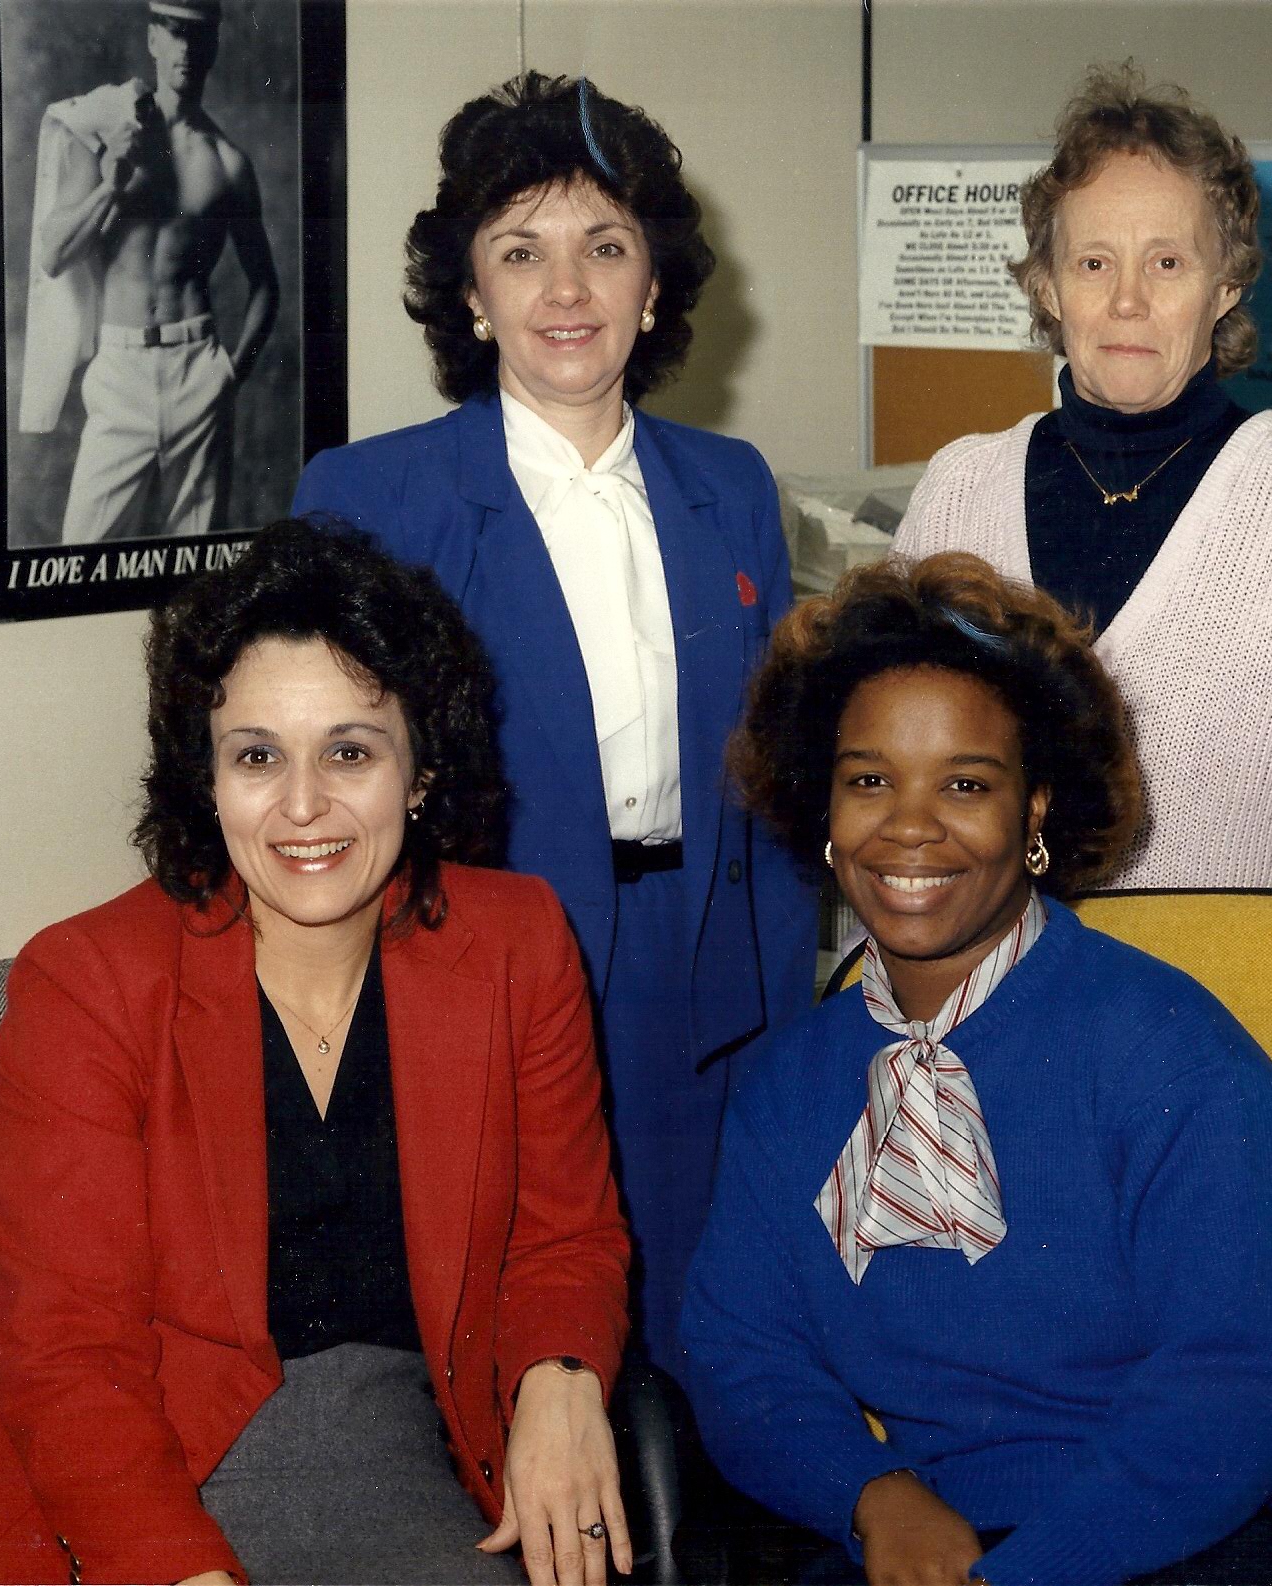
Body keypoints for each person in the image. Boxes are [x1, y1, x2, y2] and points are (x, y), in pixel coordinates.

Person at [0, 522, 632, 1586]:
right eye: (258, 754)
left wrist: (560, 1376)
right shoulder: (88, 981)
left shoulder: (516, 941)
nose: (304, 804)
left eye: (352, 750)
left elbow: (565, 1235)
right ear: (208, 777)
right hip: (109, 1482)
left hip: (385, 1450)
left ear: (419, 771)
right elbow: (67, 1351)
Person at [684, 553, 1272, 1586]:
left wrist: (1032, 1574)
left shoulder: (1173, 1051)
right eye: (869, 779)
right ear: (825, 813)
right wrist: (871, 1492)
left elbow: (1241, 1387)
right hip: (946, 1534)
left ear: (1034, 814)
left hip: (1237, 1530)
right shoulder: (785, 1087)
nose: (909, 824)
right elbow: (740, 1356)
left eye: (965, 783)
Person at [293, 72, 814, 1371]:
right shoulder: (373, 500)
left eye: (605, 246)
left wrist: (788, 1023)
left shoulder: (734, 488)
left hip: (702, 989)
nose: (565, 289)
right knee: (518, 1363)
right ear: (472, 294)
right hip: (487, 986)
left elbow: (781, 781)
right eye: (520, 252)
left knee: (711, 1359)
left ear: (654, 284)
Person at [894, 64, 1272, 1168]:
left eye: (1166, 262)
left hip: (1223, 1050)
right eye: (1093, 261)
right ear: (1044, 284)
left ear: (1224, 285)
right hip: (983, 1049)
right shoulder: (959, 491)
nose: (1126, 300)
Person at [21, 0, 280, 545]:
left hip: (199, 371)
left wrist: (228, 377)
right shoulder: (108, 132)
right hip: (120, 374)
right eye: (172, 32)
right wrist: (110, 184)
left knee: (198, 566)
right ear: (152, 40)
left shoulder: (228, 162)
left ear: (213, 47)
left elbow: (265, 287)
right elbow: (52, 255)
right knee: (81, 559)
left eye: (197, 36)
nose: (184, 49)